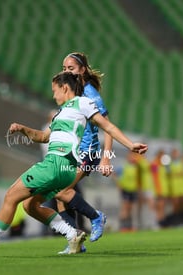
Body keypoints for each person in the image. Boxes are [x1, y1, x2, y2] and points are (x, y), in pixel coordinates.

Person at [0, 71, 147, 256]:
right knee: (30, 206)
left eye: (55, 89)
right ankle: (73, 233)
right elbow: (42, 137)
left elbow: (108, 126)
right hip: (65, 170)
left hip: (56, 163)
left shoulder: (82, 102)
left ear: (65, 88)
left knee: (11, 196)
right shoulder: (61, 113)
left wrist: (130, 145)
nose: (53, 94)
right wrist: (22, 129)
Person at [45, 52, 113, 254]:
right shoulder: (73, 92)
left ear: (82, 70)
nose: (66, 71)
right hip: (73, 151)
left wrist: (106, 158)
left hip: (88, 152)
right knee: (59, 195)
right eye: (64, 68)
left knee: (62, 191)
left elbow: (108, 127)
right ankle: (75, 241)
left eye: (71, 68)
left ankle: (95, 217)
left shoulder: (90, 94)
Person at [115, 152, 140, 232]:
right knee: (125, 208)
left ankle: (130, 226)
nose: (132, 158)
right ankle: (123, 226)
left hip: (133, 189)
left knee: (131, 208)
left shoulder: (136, 167)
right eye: (131, 157)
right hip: (126, 189)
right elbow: (114, 174)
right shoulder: (124, 166)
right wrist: (119, 184)